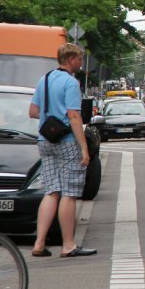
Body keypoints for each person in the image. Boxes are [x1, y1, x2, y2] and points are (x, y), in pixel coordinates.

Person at [28, 43, 97, 258]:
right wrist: (84, 148)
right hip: (66, 141)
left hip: (45, 140)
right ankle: (68, 245)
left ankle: (39, 243)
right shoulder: (71, 82)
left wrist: (50, 114)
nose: (81, 63)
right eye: (79, 59)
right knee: (69, 193)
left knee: (51, 191)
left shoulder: (44, 79)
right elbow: (74, 116)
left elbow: (33, 111)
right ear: (70, 60)